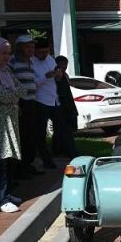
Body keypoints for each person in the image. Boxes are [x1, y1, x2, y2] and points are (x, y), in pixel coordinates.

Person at [0, 37, 27, 213]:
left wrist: (12, 93)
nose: (7, 57)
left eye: (8, 53)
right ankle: (1, 199)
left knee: (6, 161)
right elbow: (2, 95)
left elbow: (22, 88)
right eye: (3, 53)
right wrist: (13, 94)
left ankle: (6, 194)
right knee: (0, 162)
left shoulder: (6, 71)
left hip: (7, 124)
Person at [31, 38, 73, 168]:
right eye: (42, 52)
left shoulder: (50, 59)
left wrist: (58, 75)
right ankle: (47, 160)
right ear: (35, 51)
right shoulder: (31, 62)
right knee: (41, 133)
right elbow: (32, 84)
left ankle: (73, 154)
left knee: (63, 129)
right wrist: (45, 77)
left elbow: (57, 76)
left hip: (55, 101)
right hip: (40, 101)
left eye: (46, 52)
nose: (44, 55)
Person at [8, 35, 42, 177]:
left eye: (32, 46)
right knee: (23, 136)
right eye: (28, 46)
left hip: (32, 102)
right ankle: (19, 168)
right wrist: (16, 103)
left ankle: (28, 164)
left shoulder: (30, 62)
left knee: (32, 136)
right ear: (20, 47)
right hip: (20, 103)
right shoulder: (12, 62)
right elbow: (9, 83)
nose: (31, 49)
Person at [52, 55, 78, 158]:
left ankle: (60, 150)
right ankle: (63, 150)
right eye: (61, 66)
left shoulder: (64, 75)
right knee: (62, 130)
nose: (63, 68)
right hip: (60, 105)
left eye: (65, 66)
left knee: (63, 130)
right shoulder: (56, 75)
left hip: (66, 105)